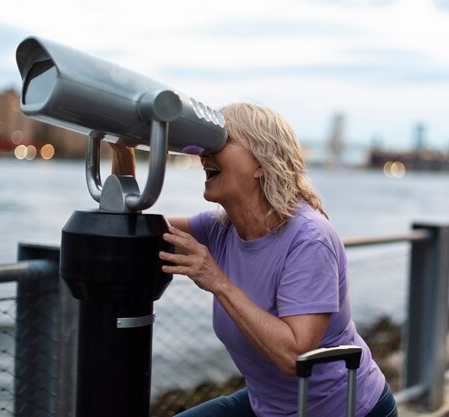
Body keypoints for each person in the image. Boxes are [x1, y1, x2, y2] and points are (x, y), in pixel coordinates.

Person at [111, 103, 397, 417]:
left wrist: (217, 280)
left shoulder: (309, 239)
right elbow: (131, 233)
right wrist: (123, 150)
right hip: (269, 406)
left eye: (220, 142)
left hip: (342, 410)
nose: (206, 154)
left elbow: (295, 357)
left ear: (261, 163)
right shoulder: (219, 229)